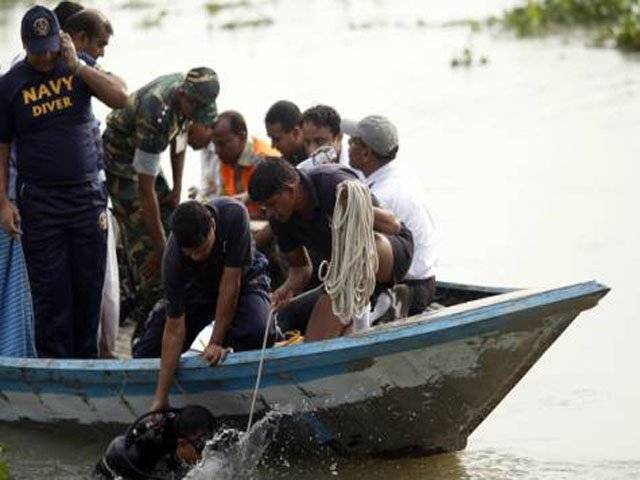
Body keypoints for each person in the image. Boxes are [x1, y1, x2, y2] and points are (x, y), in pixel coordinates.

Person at [0, 5, 128, 358]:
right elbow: (3, 146)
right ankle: (56, 371)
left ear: (63, 40)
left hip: (86, 198)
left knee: (89, 290)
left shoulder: (78, 70)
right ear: (26, 45)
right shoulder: (10, 84)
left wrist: (80, 67)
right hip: (40, 204)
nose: (44, 57)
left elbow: (121, 98)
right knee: (51, 297)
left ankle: (87, 366)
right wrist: (3, 201)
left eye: (50, 47)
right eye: (37, 49)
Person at [102, 66, 220, 329]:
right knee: (146, 240)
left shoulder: (193, 95)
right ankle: (148, 316)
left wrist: (177, 189)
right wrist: (159, 248)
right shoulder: (156, 112)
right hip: (121, 160)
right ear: (182, 96)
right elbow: (144, 190)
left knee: (171, 217)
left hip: (146, 154)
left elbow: (180, 139)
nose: (199, 119)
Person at [248, 159, 414, 341]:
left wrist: (355, 208)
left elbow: (392, 224)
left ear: (290, 190)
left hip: (387, 249)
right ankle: (369, 315)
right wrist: (284, 290)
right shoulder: (279, 219)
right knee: (314, 344)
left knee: (356, 254)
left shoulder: (331, 182)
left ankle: (369, 315)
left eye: (272, 204)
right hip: (342, 274)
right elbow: (301, 269)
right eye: (265, 208)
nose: (269, 213)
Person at [132, 200, 273, 411]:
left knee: (256, 332)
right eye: (190, 254)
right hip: (200, 290)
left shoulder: (234, 215)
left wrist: (215, 342)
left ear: (212, 226)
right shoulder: (173, 259)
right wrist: (161, 397)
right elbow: (174, 327)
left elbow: (230, 284)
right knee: (147, 354)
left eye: (202, 249)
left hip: (244, 281)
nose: (197, 257)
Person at [344, 115, 437, 317]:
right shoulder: (398, 175)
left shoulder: (384, 194)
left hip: (408, 288)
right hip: (424, 279)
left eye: (351, 142)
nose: (347, 147)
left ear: (367, 153)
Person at [94, 405, 216, 479]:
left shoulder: (179, 425)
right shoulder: (142, 457)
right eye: (200, 449)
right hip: (121, 469)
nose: (203, 455)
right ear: (182, 443)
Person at [199, 110, 279, 216]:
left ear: (242, 137)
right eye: (215, 144)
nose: (217, 151)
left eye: (222, 144)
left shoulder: (266, 160)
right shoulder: (225, 159)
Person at [296, 104, 351, 170]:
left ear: (338, 138)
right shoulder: (301, 166)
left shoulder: (360, 169)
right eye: (307, 142)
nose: (311, 150)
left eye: (320, 141)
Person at [264, 100, 307, 166]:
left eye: (277, 139)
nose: (273, 146)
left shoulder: (316, 163)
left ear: (296, 133)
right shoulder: (287, 161)